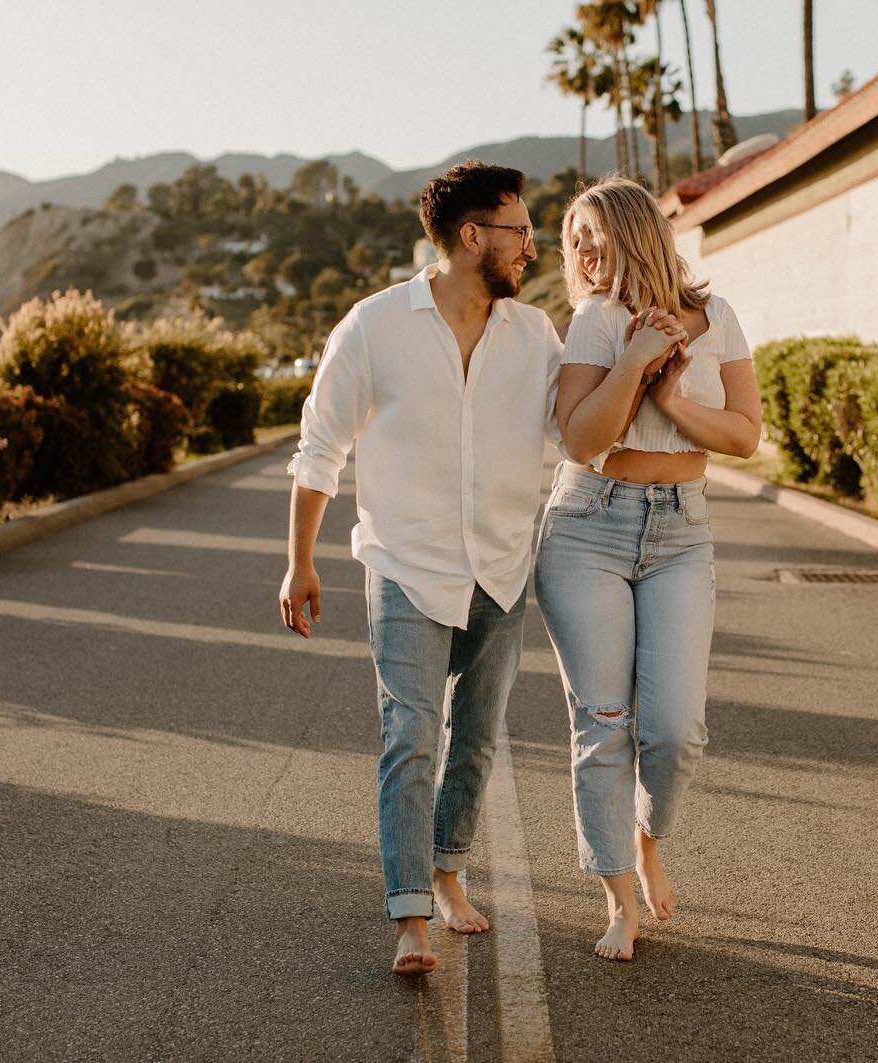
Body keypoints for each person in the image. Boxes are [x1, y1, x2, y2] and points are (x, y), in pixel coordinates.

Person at [279, 162, 561, 976]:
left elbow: (575, 426)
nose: (531, 247)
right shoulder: (373, 327)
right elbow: (320, 449)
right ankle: (410, 915)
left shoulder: (534, 334)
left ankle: (446, 870)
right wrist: (299, 562)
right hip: (407, 565)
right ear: (473, 237)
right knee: (409, 736)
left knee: (474, 739)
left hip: (502, 566)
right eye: (520, 230)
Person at [534, 175, 763, 962]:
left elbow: (741, 436)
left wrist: (673, 396)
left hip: (680, 532)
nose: (582, 251)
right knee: (602, 727)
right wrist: (633, 360)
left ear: (636, 232)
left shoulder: (719, 316)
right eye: (574, 239)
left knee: (674, 731)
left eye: (593, 234)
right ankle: (618, 897)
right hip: (588, 527)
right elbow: (580, 437)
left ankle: (647, 836)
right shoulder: (595, 322)